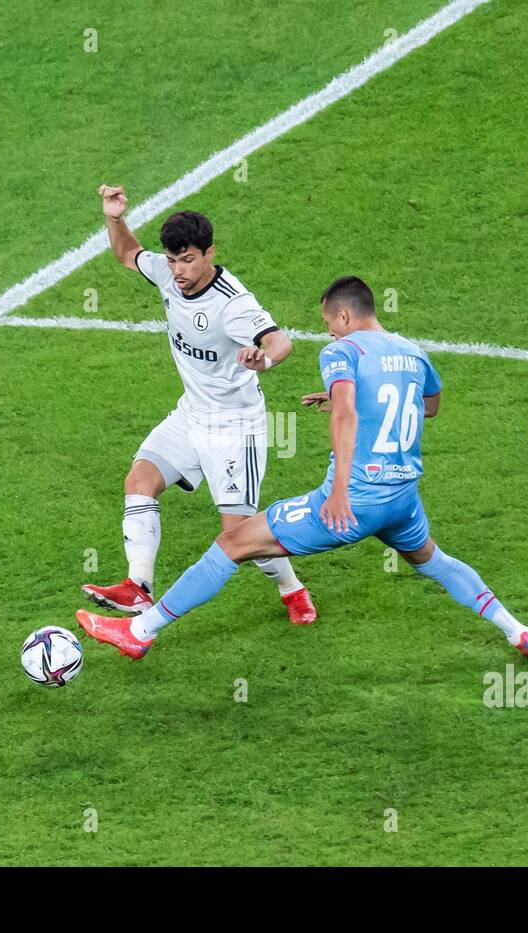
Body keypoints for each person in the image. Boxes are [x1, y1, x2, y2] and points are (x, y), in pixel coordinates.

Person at [76, 275, 528, 661]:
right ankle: (518, 630)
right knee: (435, 563)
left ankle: (140, 631)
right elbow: (430, 406)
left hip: (354, 500)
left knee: (233, 541)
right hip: (402, 498)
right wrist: (359, 399)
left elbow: (344, 415)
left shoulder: (343, 353)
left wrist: (340, 488)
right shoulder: (412, 351)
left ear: (344, 315)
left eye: (330, 323)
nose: (330, 332)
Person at [81, 185, 317, 625]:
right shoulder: (169, 275)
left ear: (209, 253)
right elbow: (128, 253)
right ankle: (138, 589)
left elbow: (280, 340)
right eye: (172, 260)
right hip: (191, 413)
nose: (178, 270)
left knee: (239, 534)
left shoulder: (233, 303)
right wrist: (114, 217)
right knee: (140, 480)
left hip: (234, 427)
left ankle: (292, 587)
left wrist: (262, 359)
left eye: (187, 259)